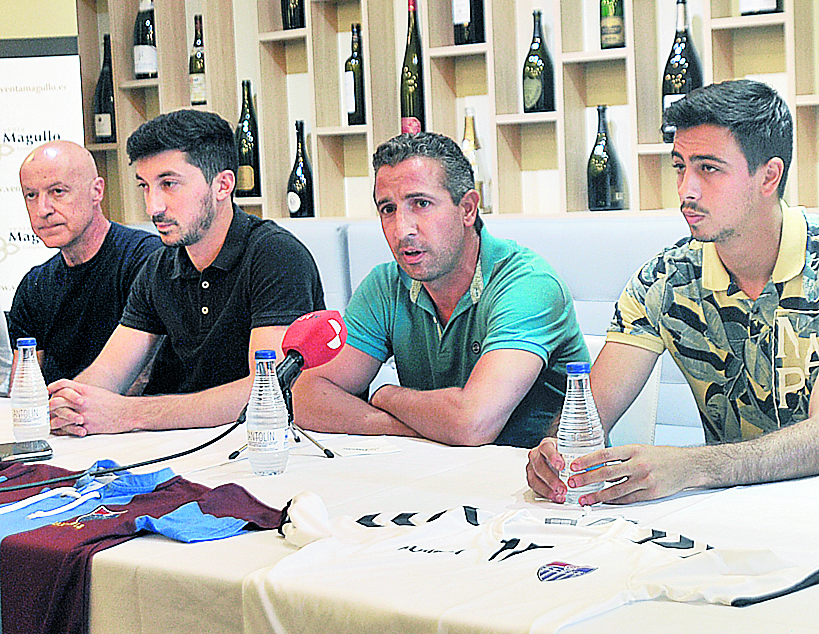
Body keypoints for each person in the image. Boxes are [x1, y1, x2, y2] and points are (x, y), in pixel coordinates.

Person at [527, 78, 819, 504]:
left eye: (709, 168)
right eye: (680, 166)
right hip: (724, 515)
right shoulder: (664, 281)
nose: (686, 191)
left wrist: (692, 466)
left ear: (768, 176)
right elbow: (591, 412)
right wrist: (555, 452)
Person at [292, 131, 587, 448]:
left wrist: (386, 394)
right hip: (442, 475)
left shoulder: (528, 285)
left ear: (468, 209)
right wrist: (408, 429)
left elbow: (472, 425)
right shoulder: (384, 285)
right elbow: (305, 396)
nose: (402, 230)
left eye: (420, 204)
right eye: (388, 209)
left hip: (546, 484)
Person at [48, 109, 324, 436]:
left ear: (223, 185)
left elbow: (265, 391)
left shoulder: (276, 256)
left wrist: (129, 414)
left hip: (256, 449)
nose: (153, 207)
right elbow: (109, 373)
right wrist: (73, 402)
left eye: (169, 184)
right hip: (175, 448)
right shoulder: (158, 267)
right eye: (145, 187)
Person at [8, 140, 162, 384]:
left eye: (57, 191)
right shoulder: (33, 286)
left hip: (130, 417)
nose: (42, 209)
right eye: (31, 195)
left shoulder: (146, 260)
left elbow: (141, 379)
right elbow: (25, 389)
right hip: (60, 416)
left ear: (97, 191)